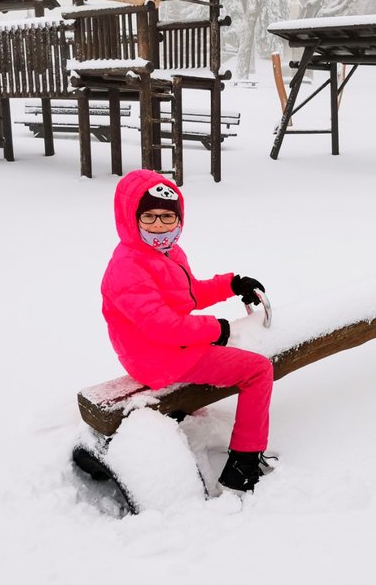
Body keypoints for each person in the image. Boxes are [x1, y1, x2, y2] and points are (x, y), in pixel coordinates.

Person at [101, 169, 273, 493]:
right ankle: (244, 463)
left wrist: (232, 284)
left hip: (167, 350)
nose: (159, 226)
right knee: (258, 370)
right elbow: (163, 325)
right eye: (149, 217)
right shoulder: (128, 266)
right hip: (158, 359)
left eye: (167, 217)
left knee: (245, 353)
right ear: (130, 217)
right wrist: (215, 329)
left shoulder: (166, 254)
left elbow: (188, 294)